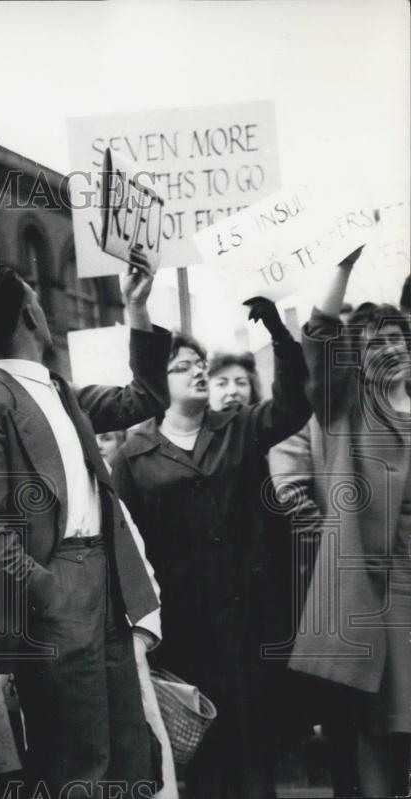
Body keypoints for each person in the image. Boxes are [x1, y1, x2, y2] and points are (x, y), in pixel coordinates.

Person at [0, 252, 171, 799]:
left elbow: (144, 397)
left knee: (127, 750)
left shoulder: (60, 390)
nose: (47, 314)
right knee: (80, 760)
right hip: (58, 592)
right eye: (38, 301)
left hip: (107, 583)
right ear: (30, 317)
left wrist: (136, 310)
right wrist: (50, 594)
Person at [111, 298, 312, 799]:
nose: (198, 373)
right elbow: (127, 546)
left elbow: (292, 407)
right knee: (203, 767)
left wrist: (279, 334)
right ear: (158, 382)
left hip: (250, 628)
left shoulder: (238, 426)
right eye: (182, 367)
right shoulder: (134, 453)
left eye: (200, 365)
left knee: (254, 762)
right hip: (183, 636)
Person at [287, 247, 410, 797]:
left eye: (398, 337)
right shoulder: (346, 410)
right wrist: (340, 267)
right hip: (382, 598)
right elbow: (319, 335)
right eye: (377, 341)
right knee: (381, 732)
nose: (392, 348)